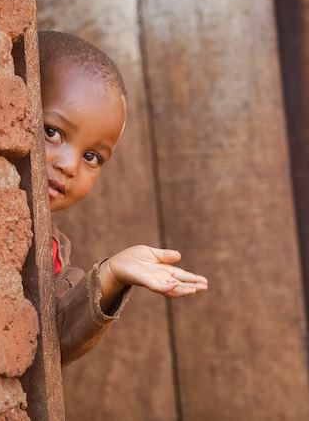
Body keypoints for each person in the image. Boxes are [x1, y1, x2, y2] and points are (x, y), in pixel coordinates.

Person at [38, 31, 208, 365]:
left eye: (92, 157)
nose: (69, 165)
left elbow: (57, 341)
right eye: (52, 132)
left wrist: (112, 274)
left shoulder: (55, 250)